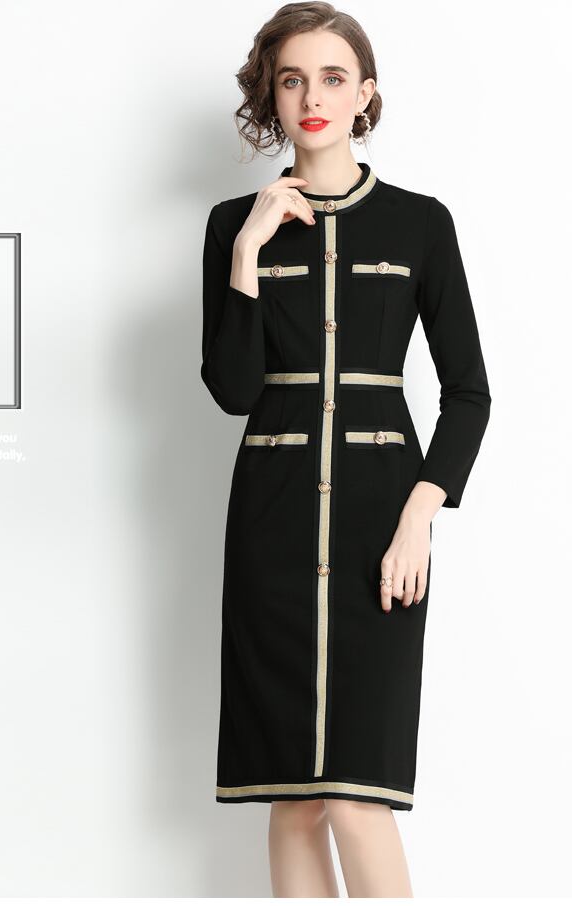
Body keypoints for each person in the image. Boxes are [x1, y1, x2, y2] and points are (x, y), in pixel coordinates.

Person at [199, 1, 491, 897]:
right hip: (273, 529)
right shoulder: (232, 224)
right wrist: (249, 253)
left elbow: (469, 394)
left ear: (365, 92)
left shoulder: (420, 224)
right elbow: (234, 391)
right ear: (272, 95)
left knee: (359, 798)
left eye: (332, 78)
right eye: (292, 79)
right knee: (293, 800)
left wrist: (419, 519)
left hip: (380, 530)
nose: (312, 97)